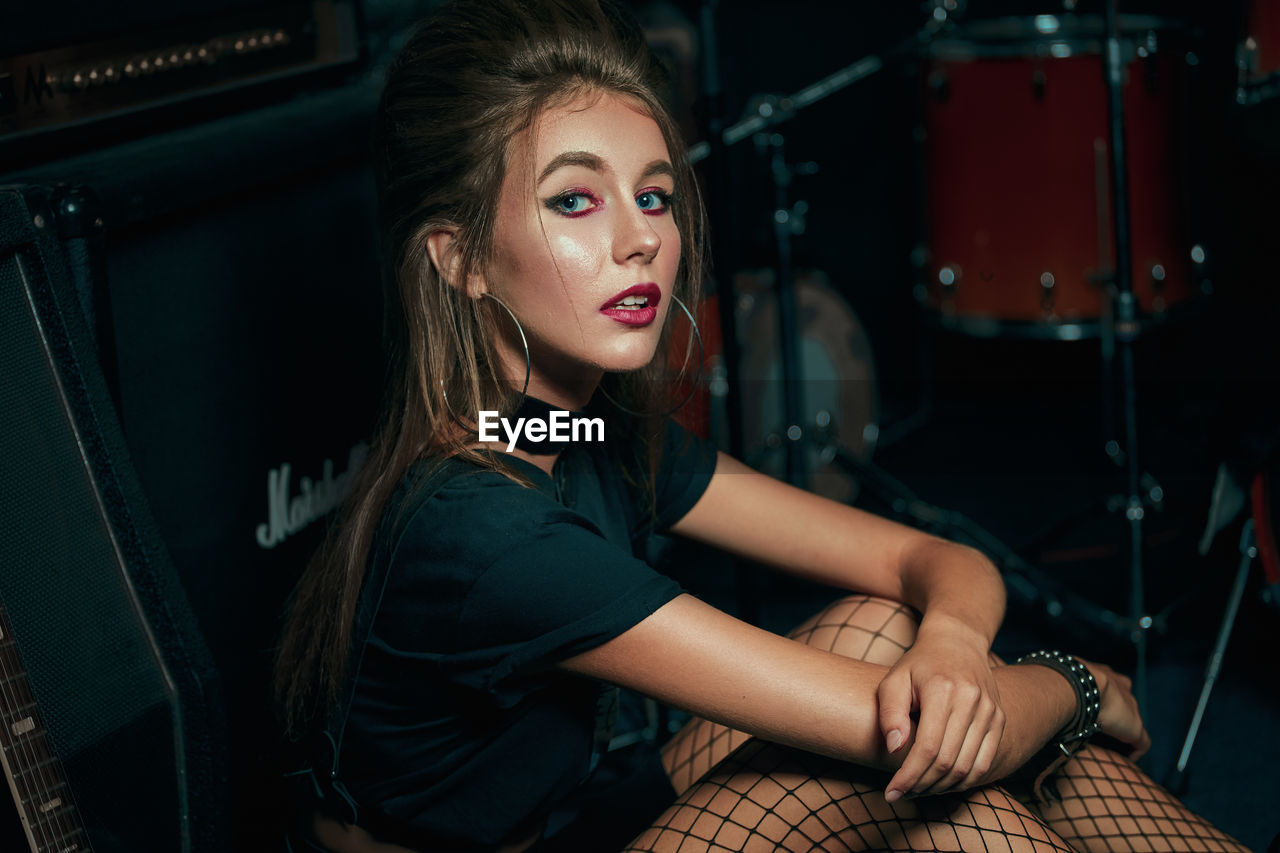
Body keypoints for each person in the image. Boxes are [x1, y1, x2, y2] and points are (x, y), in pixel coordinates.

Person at [273, 1, 1249, 850]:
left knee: (892, 637)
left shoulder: (571, 436)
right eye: (574, 200)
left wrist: (953, 645)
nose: (638, 238)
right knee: (929, 769)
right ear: (460, 260)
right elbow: (936, 740)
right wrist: (1075, 683)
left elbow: (936, 560)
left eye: (652, 194)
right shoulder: (488, 535)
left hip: (566, 824)